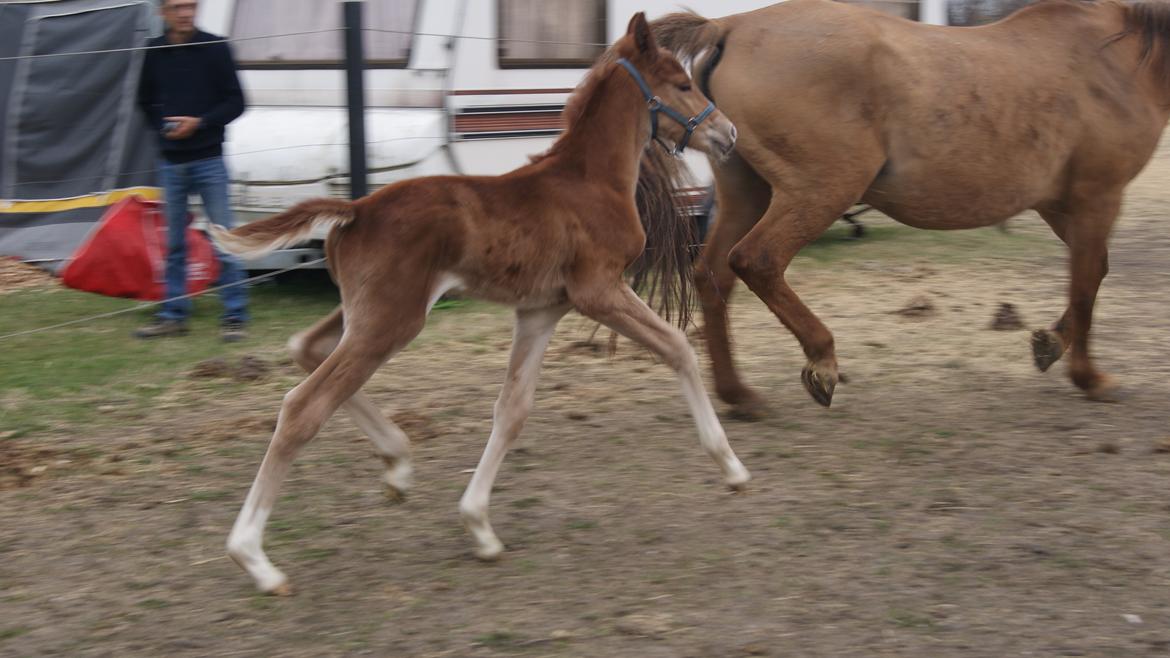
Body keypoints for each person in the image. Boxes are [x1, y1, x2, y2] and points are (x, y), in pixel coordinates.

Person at [135, 0, 248, 341]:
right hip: (171, 162)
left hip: (209, 159)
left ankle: (235, 316)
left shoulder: (215, 47)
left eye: (190, 6)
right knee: (173, 243)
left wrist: (199, 124)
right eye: (176, 7)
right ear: (161, 13)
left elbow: (237, 102)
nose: (185, 13)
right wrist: (162, 128)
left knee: (225, 239)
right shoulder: (152, 51)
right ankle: (173, 314)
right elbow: (143, 100)